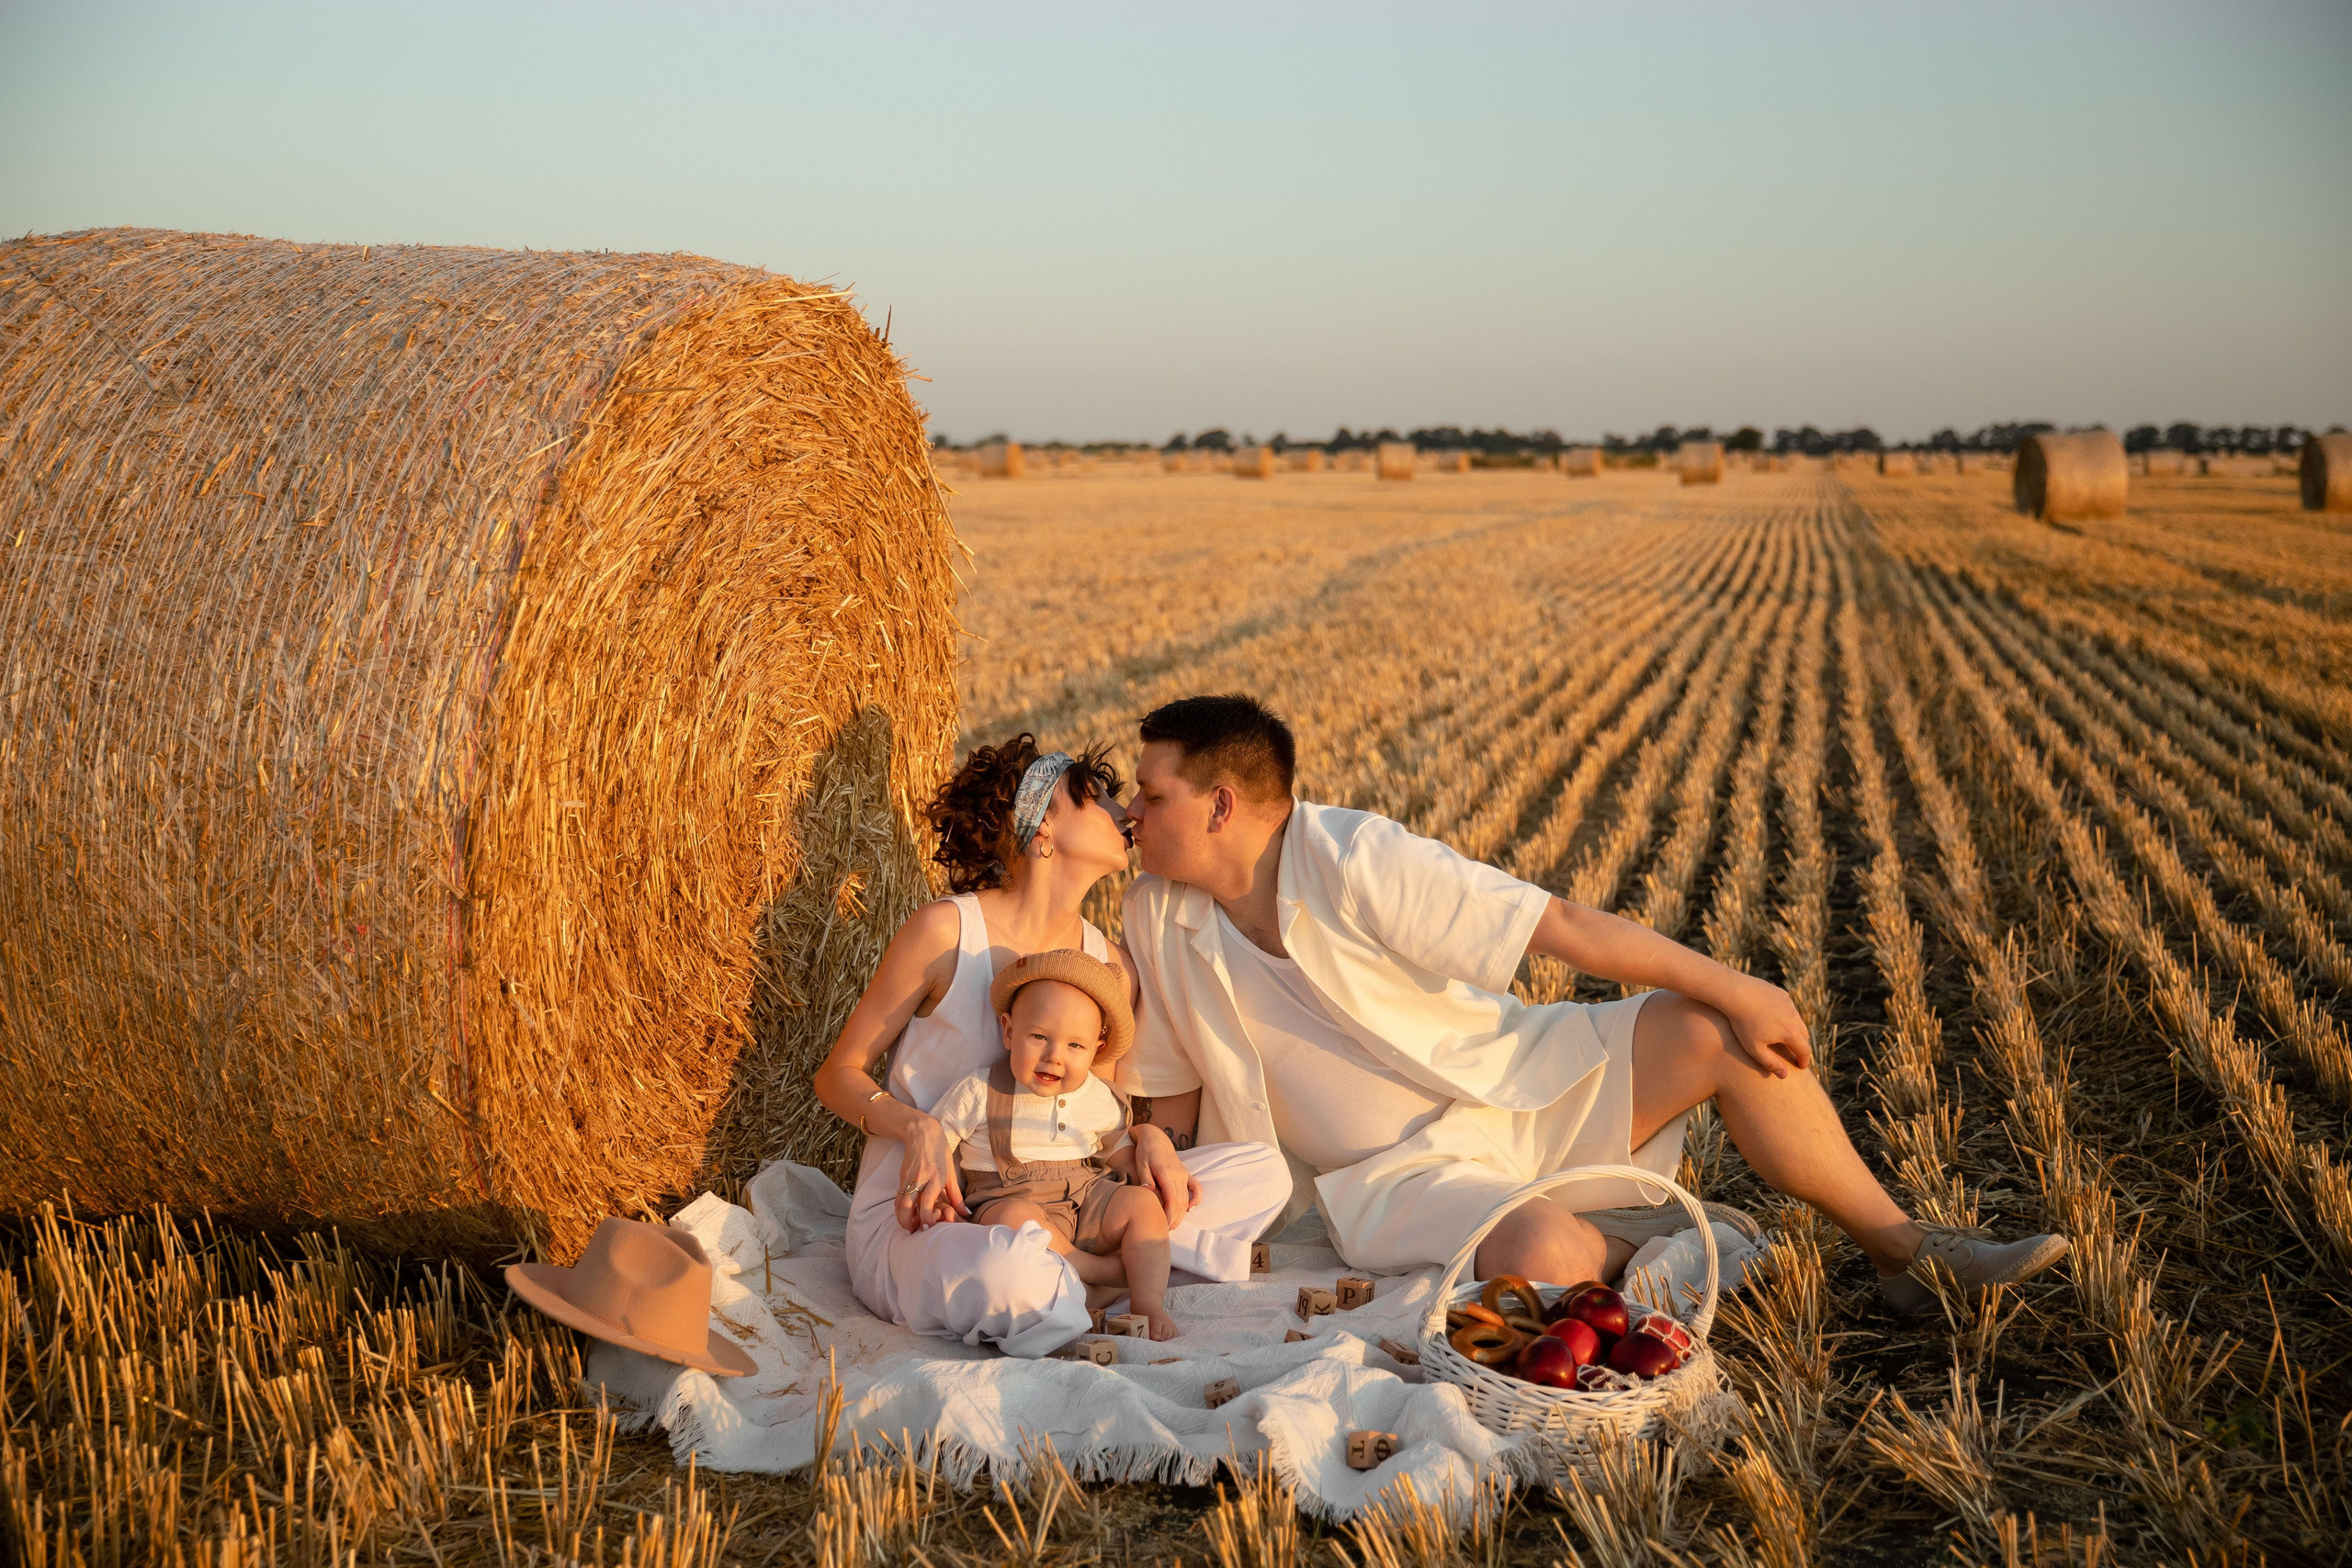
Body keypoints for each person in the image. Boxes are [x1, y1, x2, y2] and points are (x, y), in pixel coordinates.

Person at [1115, 694, 2067, 1314]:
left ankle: (1905, 1252)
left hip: (1520, 1080)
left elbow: (1559, 924)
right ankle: (1639, 1241)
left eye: (1148, 794)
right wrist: (1160, 1158)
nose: (1130, 814)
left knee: (1717, 1035)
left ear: (1222, 804)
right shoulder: (1155, 912)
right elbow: (1166, 1085)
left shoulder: (1352, 857)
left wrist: (1735, 985)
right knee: (1540, 1254)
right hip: (1396, 1178)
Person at [814, 735, 1288, 1357]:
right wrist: (918, 1130)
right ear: (1043, 830)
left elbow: (1098, 1115)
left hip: (1070, 1203)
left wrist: (1145, 1138)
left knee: (1263, 1173)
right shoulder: (946, 932)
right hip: (934, 1218)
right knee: (1003, 1272)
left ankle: (1084, 1276)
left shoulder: (1112, 968)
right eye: (1097, 799)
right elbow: (837, 1075)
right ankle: (1110, 1276)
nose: (1126, 814)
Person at [929, 949, 1182, 1340]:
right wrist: (940, 1193)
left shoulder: (1097, 1095)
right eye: (1039, 1037)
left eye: (1074, 1046)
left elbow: (1112, 1148)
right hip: (1007, 1195)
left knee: (1143, 1207)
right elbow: (937, 1140)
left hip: (1086, 1196)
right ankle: (1097, 1271)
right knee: (1014, 1222)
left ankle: (1147, 1305)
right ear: (1009, 1031)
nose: (1054, 1057)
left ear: (1096, 1050)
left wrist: (1139, 1176)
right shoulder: (980, 1089)